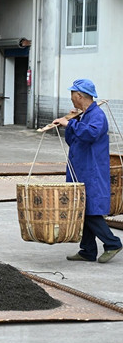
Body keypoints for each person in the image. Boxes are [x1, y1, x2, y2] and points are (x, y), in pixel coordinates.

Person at [51, 79, 122, 263]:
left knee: (90, 210)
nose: (71, 99)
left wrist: (70, 124)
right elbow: (73, 140)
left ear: (79, 96)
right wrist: (71, 122)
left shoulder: (97, 115)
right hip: (80, 167)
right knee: (82, 209)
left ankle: (112, 243)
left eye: (72, 95)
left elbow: (90, 134)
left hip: (92, 170)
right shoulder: (83, 116)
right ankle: (88, 250)